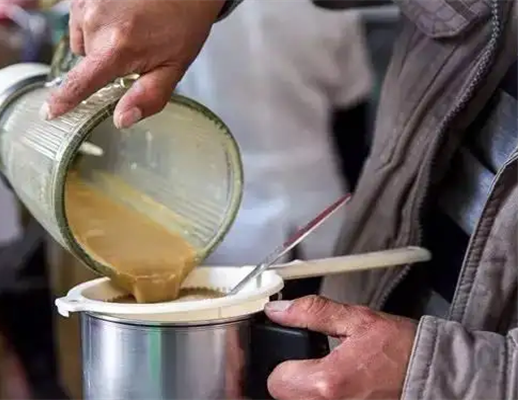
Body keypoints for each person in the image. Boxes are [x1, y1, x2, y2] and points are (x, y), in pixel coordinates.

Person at [42, 0, 518, 399]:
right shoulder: (319, 15)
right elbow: (349, 105)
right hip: (322, 203)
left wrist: (451, 375)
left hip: (222, 211)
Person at [176, 0, 373, 266]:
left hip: (220, 213)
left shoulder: (177, 13)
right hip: (319, 202)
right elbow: (352, 114)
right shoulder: (330, 9)